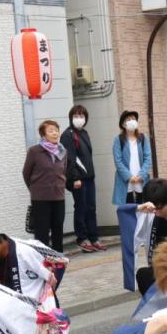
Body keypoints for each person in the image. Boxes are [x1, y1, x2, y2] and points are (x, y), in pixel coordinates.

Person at [118, 178, 167, 295]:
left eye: (160, 208)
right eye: (154, 208)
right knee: (143, 275)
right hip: (160, 270)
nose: (156, 212)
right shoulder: (149, 215)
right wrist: (140, 207)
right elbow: (123, 212)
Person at [23, 119, 76, 251]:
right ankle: (42, 261)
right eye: (51, 131)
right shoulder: (35, 151)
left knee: (58, 230)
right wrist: (35, 189)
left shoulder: (63, 151)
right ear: (43, 134)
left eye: (56, 130)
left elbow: (63, 171)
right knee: (42, 233)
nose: (55, 133)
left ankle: (58, 261)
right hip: (40, 198)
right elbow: (26, 173)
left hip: (58, 196)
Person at [61, 105, 102, 253]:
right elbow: (70, 158)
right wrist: (75, 178)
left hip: (89, 177)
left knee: (91, 208)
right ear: (71, 117)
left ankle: (93, 237)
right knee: (81, 207)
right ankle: (82, 238)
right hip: (78, 179)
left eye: (82, 116)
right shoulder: (68, 135)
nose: (80, 118)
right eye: (77, 115)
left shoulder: (84, 133)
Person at [112, 110, 151, 206]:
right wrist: (129, 177)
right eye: (128, 119)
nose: (132, 121)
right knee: (127, 208)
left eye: (133, 119)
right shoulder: (118, 139)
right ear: (123, 124)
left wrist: (141, 175)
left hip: (141, 180)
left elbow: (148, 158)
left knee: (143, 207)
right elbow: (118, 161)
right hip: (125, 181)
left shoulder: (142, 138)